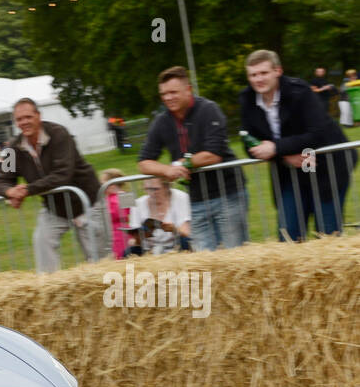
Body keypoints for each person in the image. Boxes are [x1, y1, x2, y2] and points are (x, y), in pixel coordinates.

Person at [241, 50, 356, 240]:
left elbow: (317, 133)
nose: (258, 79)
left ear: (277, 71)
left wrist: (276, 148)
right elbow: (248, 141)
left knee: (327, 236)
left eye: (263, 73)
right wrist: (283, 154)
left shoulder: (299, 91)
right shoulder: (247, 99)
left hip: (327, 167)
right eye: (253, 75)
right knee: (288, 235)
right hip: (289, 173)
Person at [138, 67, 247, 253]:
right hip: (196, 200)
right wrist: (166, 171)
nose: (168, 98)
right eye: (163, 94)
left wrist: (181, 165)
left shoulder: (208, 110)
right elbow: (143, 162)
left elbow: (214, 154)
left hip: (227, 194)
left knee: (234, 256)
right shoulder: (162, 121)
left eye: (173, 92)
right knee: (204, 259)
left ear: (188, 89)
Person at [0, 99, 107, 272]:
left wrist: (27, 190)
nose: (24, 122)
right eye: (19, 119)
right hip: (54, 208)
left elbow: (62, 174)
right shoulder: (12, 148)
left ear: (38, 116)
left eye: (28, 117)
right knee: (42, 241)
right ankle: (49, 287)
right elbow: (1, 179)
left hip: (86, 202)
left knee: (99, 262)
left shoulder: (59, 134)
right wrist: (10, 192)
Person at [127, 178, 192, 255]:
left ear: (166, 187)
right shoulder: (138, 204)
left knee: (184, 241)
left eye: (155, 189)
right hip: (149, 249)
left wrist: (173, 229)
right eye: (147, 189)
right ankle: (130, 268)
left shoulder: (180, 197)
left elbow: (186, 232)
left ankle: (185, 266)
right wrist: (139, 237)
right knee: (129, 253)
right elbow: (135, 240)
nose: (151, 193)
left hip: (175, 247)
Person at [99, 168, 131, 259]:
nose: (101, 187)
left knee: (121, 256)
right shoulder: (106, 199)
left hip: (120, 233)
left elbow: (127, 214)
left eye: (102, 184)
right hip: (110, 233)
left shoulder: (124, 196)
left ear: (112, 185)